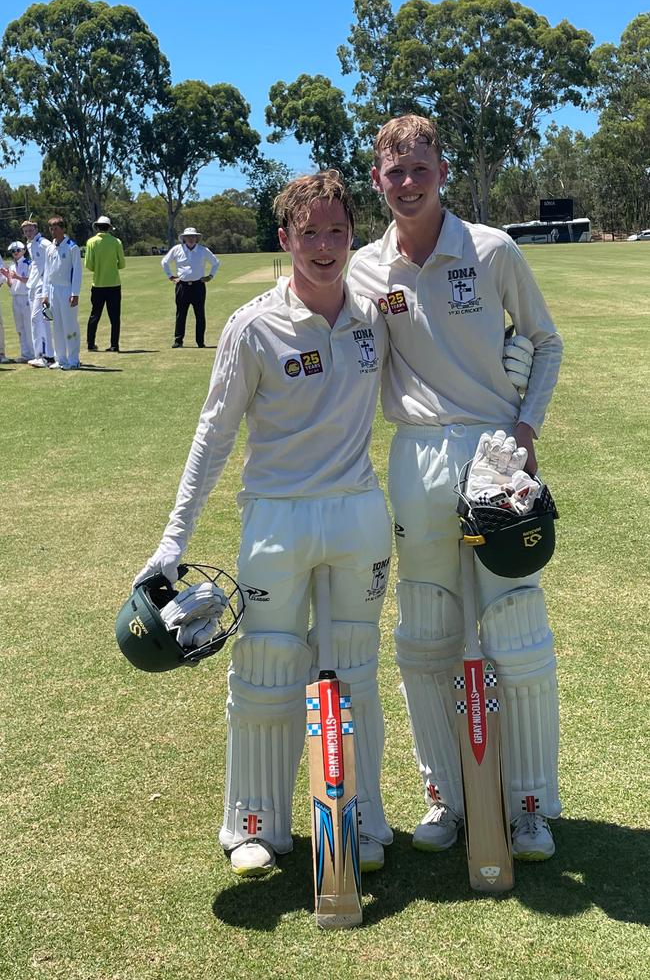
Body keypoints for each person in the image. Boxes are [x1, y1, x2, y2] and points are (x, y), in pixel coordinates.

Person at [134, 172, 393, 878]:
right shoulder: (253, 325)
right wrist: (173, 538)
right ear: (284, 239)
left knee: (355, 667)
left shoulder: (375, 313)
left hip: (358, 515)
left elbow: (436, 374)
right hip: (275, 519)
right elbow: (212, 436)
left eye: (337, 231)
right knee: (267, 670)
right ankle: (254, 821)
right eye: (308, 232)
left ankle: (360, 812)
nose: (324, 246)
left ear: (352, 236)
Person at [347, 115, 564, 861]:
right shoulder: (365, 270)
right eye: (393, 172)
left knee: (514, 626)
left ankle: (529, 804)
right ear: (376, 180)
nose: (407, 184)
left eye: (419, 168)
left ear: (441, 169)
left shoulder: (493, 249)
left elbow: (545, 339)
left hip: (496, 451)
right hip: (416, 456)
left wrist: (526, 432)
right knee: (426, 633)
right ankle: (446, 793)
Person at [161, 227, 219, 348]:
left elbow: (216, 262)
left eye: (193, 236)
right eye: (188, 237)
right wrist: (171, 277)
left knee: (200, 314)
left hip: (198, 285)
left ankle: (200, 341)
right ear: (184, 238)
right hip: (182, 285)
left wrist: (210, 276)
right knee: (181, 314)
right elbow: (165, 262)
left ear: (197, 238)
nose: (191, 239)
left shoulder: (203, 250)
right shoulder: (177, 249)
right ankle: (178, 340)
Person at [41, 216, 83, 370]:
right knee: (57, 326)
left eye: (56, 228)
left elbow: (77, 272)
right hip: (53, 290)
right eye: (51, 229)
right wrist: (45, 294)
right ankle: (61, 359)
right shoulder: (50, 248)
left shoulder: (72, 247)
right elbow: (47, 273)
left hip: (67, 290)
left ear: (62, 229)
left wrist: (75, 293)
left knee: (69, 325)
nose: (53, 231)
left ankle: (74, 360)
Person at [85, 215, 126, 353]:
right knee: (115, 317)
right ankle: (114, 345)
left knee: (94, 315)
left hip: (97, 284)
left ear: (97, 227)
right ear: (109, 227)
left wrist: (99, 267)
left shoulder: (91, 242)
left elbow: (89, 265)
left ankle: (90, 344)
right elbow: (122, 264)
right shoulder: (116, 242)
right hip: (114, 284)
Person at [21, 219, 54, 368]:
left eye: (30, 230)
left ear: (35, 229)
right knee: (37, 321)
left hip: (43, 285)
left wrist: (47, 282)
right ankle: (42, 355)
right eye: (25, 231)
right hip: (33, 286)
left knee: (38, 319)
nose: (28, 233)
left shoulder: (44, 243)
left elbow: (54, 255)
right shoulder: (29, 244)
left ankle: (46, 355)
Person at [7, 242, 34, 362]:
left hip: (26, 297)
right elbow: (11, 284)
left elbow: (30, 280)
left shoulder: (28, 263)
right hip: (15, 298)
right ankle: (25, 354)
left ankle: (34, 353)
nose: (15, 252)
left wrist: (17, 277)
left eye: (17, 250)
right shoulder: (12, 266)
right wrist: (8, 277)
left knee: (28, 326)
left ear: (23, 250)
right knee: (20, 327)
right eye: (13, 251)